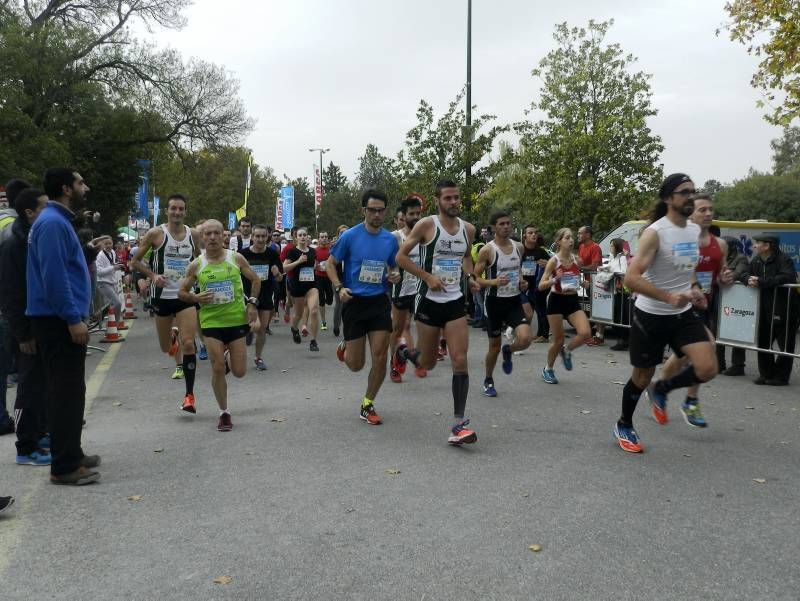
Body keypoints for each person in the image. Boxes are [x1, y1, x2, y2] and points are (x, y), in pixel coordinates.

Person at [614, 173, 717, 454]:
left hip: (682, 313)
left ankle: (663, 388)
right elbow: (631, 278)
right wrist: (667, 296)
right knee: (641, 377)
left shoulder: (693, 230)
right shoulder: (655, 233)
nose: (691, 197)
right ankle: (624, 423)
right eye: (684, 192)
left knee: (708, 367)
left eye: (693, 192)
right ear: (668, 198)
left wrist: (693, 288)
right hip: (650, 316)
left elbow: (688, 267)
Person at [27, 168, 100, 485]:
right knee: (64, 392)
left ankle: (71, 451)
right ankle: (64, 466)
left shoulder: (56, 221)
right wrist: (72, 318)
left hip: (59, 318)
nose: (85, 186)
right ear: (66, 189)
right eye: (80, 182)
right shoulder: (53, 224)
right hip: (57, 321)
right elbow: (54, 277)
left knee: (71, 391)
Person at [396, 179, 481, 446]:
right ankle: (404, 353)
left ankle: (459, 423)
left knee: (459, 358)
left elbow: (466, 256)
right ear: (438, 201)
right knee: (428, 363)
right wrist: (426, 276)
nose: (453, 202)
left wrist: (470, 276)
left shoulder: (468, 229)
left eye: (456, 197)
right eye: (448, 198)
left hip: (455, 300)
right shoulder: (427, 225)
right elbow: (401, 257)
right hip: (429, 299)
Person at [649, 194, 732, 428]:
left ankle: (659, 387)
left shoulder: (720, 244)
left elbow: (722, 276)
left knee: (683, 356)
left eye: (710, 209)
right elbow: (677, 271)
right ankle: (690, 400)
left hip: (705, 304)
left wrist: (726, 278)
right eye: (702, 209)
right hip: (683, 304)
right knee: (708, 347)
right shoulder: (683, 241)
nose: (707, 213)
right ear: (690, 213)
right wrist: (689, 288)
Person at [179, 220, 261, 430]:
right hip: (211, 322)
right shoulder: (197, 264)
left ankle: (228, 356)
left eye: (217, 233)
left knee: (240, 372)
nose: (213, 237)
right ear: (202, 238)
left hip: (236, 320)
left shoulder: (236, 258)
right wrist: (196, 298)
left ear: (223, 236)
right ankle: (224, 412)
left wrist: (252, 303)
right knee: (216, 368)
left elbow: (255, 280)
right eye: (208, 234)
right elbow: (182, 293)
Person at [326, 190, 400, 425]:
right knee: (356, 365)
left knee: (379, 357)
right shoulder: (349, 236)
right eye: (372, 210)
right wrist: (339, 287)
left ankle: (368, 404)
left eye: (381, 210)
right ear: (363, 211)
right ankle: (346, 346)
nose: (377, 214)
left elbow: (393, 267)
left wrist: (395, 275)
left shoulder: (390, 240)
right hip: (354, 301)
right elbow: (330, 264)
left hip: (378, 301)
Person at [130, 195, 201, 410]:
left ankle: (189, 395)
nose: (177, 212)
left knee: (189, 343)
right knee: (165, 347)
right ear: (167, 211)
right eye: (173, 208)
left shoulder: (193, 235)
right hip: (161, 296)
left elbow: (199, 260)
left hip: (184, 296)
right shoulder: (156, 234)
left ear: (185, 212)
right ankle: (172, 337)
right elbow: (134, 262)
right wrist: (152, 276)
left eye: (181, 209)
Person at [0, 188, 50, 465]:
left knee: (40, 383)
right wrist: (22, 333)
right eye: (44, 207)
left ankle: (39, 433)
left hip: (36, 322)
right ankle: (25, 446)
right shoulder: (14, 244)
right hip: (23, 327)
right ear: (29, 213)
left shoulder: (32, 237)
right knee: (28, 387)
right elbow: (10, 293)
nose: (49, 211)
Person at [474, 211, 532, 396]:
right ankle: (488, 379)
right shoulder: (487, 250)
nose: (506, 226)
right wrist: (493, 282)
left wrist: (523, 282)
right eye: (502, 224)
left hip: (513, 300)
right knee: (493, 346)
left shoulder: (519, 247)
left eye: (508, 223)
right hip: (494, 303)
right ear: (493, 228)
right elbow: (475, 278)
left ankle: (509, 350)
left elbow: (518, 270)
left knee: (525, 339)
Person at [739, 234, 799, 385]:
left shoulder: (783, 259)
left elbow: (787, 277)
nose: (754, 246)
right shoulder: (757, 259)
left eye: (758, 243)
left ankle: (781, 377)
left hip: (785, 307)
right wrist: (748, 279)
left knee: (785, 344)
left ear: (767, 246)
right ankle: (766, 373)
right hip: (764, 307)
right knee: (763, 340)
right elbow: (744, 273)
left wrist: (763, 282)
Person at [538, 228, 591, 384]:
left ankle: (566, 351)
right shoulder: (554, 261)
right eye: (567, 237)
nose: (571, 240)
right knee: (558, 340)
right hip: (556, 300)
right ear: (559, 242)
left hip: (572, 300)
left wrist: (583, 283)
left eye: (572, 237)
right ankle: (548, 369)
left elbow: (575, 278)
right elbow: (541, 285)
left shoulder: (577, 260)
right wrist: (555, 279)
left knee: (585, 332)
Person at [389, 196, 425, 383]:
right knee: (398, 328)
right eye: (412, 214)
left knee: (418, 326)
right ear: (404, 216)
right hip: (401, 289)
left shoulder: (426, 235)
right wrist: (391, 272)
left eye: (418, 213)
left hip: (420, 289)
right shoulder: (395, 237)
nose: (416, 217)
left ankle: (417, 360)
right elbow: (388, 259)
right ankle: (394, 362)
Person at [239, 224, 283, 370]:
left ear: (267, 237)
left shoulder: (272, 254)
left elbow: (279, 279)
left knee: (262, 329)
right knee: (256, 325)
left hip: (266, 294)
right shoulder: (242, 254)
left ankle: (258, 358)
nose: (260, 239)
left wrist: (277, 273)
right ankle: (249, 329)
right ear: (252, 237)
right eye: (257, 236)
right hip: (248, 293)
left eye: (263, 236)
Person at [283, 227, 320, 351]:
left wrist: (318, 266)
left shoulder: (312, 251)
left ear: (307, 236)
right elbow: (285, 268)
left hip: (312, 285)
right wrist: (298, 261)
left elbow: (314, 265)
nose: (303, 237)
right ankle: (294, 328)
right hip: (297, 286)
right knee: (298, 314)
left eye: (305, 234)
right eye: (300, 235)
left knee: (314, 311)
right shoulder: (292, 252)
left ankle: (313, 341)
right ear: (296, 238)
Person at [718, 236, 750, 375]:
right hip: (720, 299)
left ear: (731, 247)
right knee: (717, 331)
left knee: (737, 332)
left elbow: (738, 273)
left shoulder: (741, 258)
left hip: (735, 300)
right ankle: (719, 363)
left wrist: (725, 277)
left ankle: (738, 366)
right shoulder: (720, 258)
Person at [588, 238, 628, 346]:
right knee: (604, 312)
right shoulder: (612, 258)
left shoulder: (622, 258)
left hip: (617, 290)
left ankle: (620, 339)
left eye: (612, 246)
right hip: (609, 289)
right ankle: (599, 336)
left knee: (615, 315)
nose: (610, 248)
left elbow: (624, 272)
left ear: (617, 247)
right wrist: (604, 269)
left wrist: (612, 271)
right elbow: (610, 267)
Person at [521, 225, 550, 343]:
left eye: (535, 233)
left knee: (541, 309)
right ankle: (538, 333)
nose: (534, 235)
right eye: (530, 233)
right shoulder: (520, 250)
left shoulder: (541, 251)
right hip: (524, 285)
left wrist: (547, 263)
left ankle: (545, 335)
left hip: (538, 285)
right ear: (524, 236)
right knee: (530, 310)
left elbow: (552, 264)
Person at [94, 238, 123, 325]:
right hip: (103, 282)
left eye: (109, 243)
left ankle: (102, 317)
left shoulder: (113, 252)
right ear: (102, 245)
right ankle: (114, 325)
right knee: (117, 303)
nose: (108, 246)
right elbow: (99, 272)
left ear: (112, 244)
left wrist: (116, 265)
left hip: (111, 281)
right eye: (106, 244)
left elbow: (111, 265)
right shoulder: (100, 255)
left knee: (113, 303)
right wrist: (113, 267)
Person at [331, 224, 349, 337]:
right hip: (338, 279)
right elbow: (330, 264)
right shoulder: (335, 247)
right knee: (339, 303)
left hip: (350, 280)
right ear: (338, 235)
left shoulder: (354, 246)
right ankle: (336, 326)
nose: (344, 234)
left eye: (346, 232)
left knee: (349, 304)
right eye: (341, 232)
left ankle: (348, 325)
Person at [314, 232, 333, 331]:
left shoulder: (331, 250)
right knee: (321, 300)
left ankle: (327, 300)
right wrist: (315, 266)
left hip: (329, 277)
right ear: (318, 239)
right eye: (322, 237)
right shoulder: (315, 251)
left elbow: (335, 262)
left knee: (329, 300)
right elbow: (312, 263)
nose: (324, 238)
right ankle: (323, 321)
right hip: (319, 277)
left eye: (326, 237)